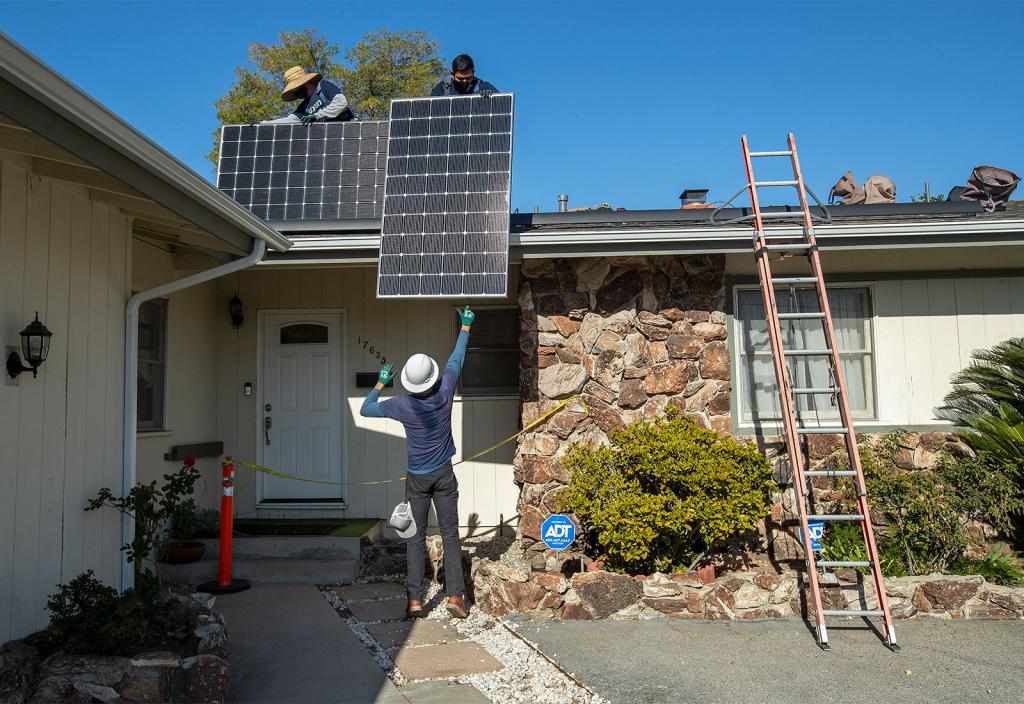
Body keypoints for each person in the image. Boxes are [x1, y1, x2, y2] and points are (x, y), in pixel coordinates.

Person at [360, 305, 476, 619]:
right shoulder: (446, 389)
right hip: (444, 475)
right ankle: (455, 598)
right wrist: (465, 326)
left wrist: (381, 381)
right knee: (451, 535)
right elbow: (456, 359)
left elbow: (366, 409)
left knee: (415, 537)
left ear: (410, 383)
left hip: (417, 478)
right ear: (432, 377)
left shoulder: (401, 405)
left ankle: (414, 602)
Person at [262, 66, 354, 124]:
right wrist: (262, 123)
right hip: (330, 137)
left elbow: (341, 103)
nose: (295, 92)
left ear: (304, 83)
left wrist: (317, 115)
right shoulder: (303, 107)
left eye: (295, 88)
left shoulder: (323, 86)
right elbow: (289, 120)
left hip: (348, 129)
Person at [430, 54, 499, 96]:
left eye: (468, 78)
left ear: (473, 72)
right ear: (452, 74)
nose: (464, 81)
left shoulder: (484, 87)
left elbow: (503, 105)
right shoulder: (442, 89)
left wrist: (491, 98)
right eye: (460, 78)